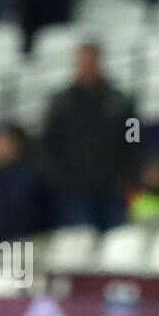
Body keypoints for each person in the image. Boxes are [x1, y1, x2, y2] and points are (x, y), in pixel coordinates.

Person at [42, 42, 140, 231]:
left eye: (90, 62)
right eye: (81, 63)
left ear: (99, 63)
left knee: (117, 237)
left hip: (113, 188)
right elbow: (49, 143)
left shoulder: (122, 102)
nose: (85, 68)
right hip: (74, 190)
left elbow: (134, 138)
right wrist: (60, 178)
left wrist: (127, 174)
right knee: (80, 242)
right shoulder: (60, 105)